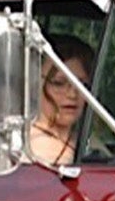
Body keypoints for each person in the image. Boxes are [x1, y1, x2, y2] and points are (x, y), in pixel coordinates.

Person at [30, 35, 96, 166]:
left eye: (82, 85)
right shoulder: (22, 149)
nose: (73, 94)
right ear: (32, 85)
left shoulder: (87, 140)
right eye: (58, 83)